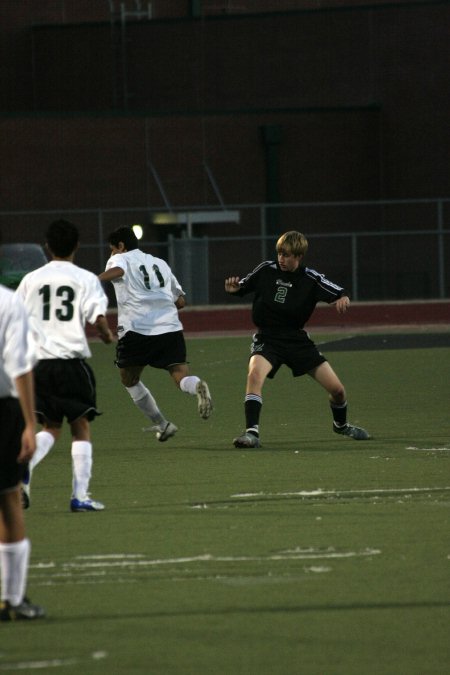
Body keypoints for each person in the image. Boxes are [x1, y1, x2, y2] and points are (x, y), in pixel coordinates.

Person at [225, 230, 370, 448]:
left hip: (297, 341)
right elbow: (243, 286)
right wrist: (234, 289)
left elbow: (337, 291)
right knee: (254, 375)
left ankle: (340, 425)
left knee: (338, 391)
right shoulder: (266, 269)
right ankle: (251, 433)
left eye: (287, 255)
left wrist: (343, 297)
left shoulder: (310, 278)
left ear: (299, 256)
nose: (282, 259)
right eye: (280, 254)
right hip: (268, 338)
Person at [16, 219, 114, 512]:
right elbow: (97, 317)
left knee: (50, 426)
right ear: (77, 246)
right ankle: (79, 496)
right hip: (71, 362)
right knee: (80, 426)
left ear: (48, 246)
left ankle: (23, 470)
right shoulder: (85, 278)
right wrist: (107, 334)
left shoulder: (30, 280)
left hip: (39, 365)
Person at [98, 227, 212, 442]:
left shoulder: (120, 259)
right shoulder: (159, 263)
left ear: (120, 246)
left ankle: (163, 424)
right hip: (170, 328)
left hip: (137, 329)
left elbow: (119, 271)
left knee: (129, 380)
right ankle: (196, 386)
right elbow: (180, 301)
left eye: (112, 249)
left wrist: (94, 280)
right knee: (181, 377)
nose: (111, 254)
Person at [0, 233, 45, 620]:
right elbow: (19, 366)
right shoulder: (8, 302)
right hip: (2, 412)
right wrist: (31, 423)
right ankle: (12, 600)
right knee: (9, 499)